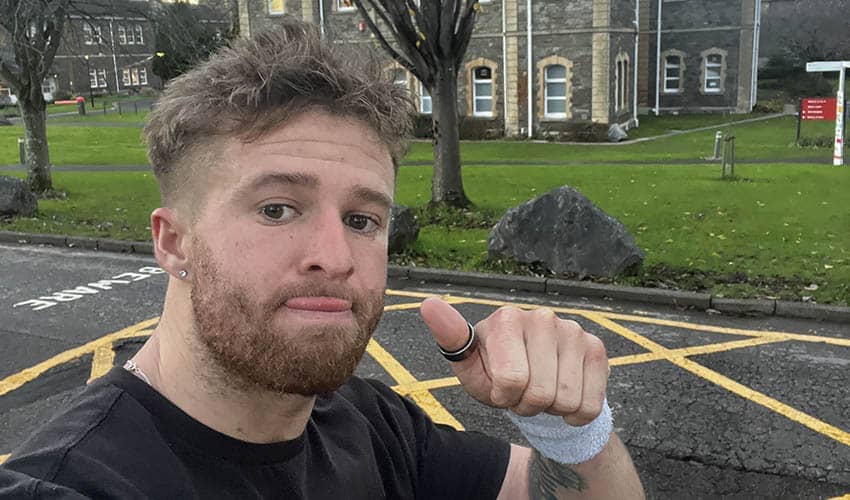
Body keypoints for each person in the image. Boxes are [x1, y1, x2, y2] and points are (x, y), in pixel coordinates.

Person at [0, 20, 644, 499]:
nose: (335, 258)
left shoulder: (372, 423)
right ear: (173, 242)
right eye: (277, 209)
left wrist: (572, 429)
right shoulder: (80, 482)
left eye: (363, 220)